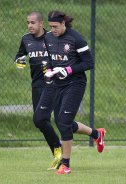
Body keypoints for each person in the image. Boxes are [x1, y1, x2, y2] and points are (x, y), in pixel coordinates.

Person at [42, 10, 106, 174]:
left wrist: (69, 70)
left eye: (56, 26)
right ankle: (97, 134)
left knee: (63, 122)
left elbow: (89, 63)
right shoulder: (48, 37)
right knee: (64, 121)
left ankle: (66, 165)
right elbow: (50, 59)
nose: (53, 30)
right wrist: (49, 71)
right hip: (57, 84)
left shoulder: (76, 39)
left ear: (63, 23)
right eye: (51, 26)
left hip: (75, 84)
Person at [14, 11, 62, 170]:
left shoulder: (52, 38)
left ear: (41, 24)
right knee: (41, 121)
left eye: (33, 22)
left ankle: (59, 152)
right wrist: (19, 60)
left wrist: (51, 67)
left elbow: (62, 58)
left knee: (46, 119)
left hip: (53, 84)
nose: (29, 25)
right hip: (37, 85)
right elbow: (19, 56)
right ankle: (95, 134)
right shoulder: (25, 39)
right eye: (28, 22)